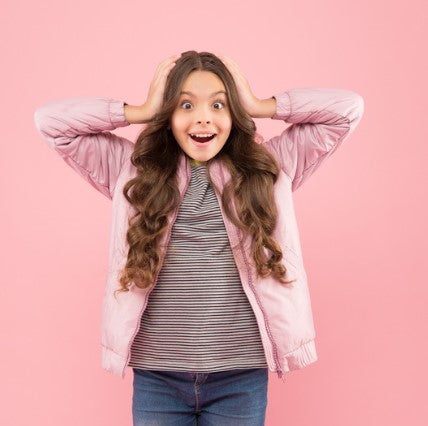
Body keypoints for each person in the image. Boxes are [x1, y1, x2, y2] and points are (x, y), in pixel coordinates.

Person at [34, 50, 364, 425]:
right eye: (185, 104)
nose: (203, 116)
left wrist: (260, 104)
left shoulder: (270, 168)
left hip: (240, 373)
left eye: (219, 104)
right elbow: (50, 122)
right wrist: (139, 111)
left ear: (234, 112)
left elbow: (347, 109)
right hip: (157, 374)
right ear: (168, 115)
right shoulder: (132, 171)